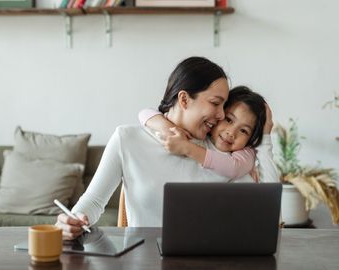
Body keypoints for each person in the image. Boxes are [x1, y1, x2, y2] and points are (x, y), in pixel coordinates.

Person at [56, 56, 279, 240]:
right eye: (215, 103)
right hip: (143, 262)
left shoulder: (222, 154)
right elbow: (94, 201)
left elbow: (269, 211)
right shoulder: (128, 139)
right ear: (184, 99)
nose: (221, 115)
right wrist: (73, 219)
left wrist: (266, 137)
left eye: (224, 105)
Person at [139, 86, 270, 179]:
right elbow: (145, 113)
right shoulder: (199, 136)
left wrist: (187, 148)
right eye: (229, 120)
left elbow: (233, 167)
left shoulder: (246, 153)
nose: (231, 133)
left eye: (243, 130)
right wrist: (168, 129)